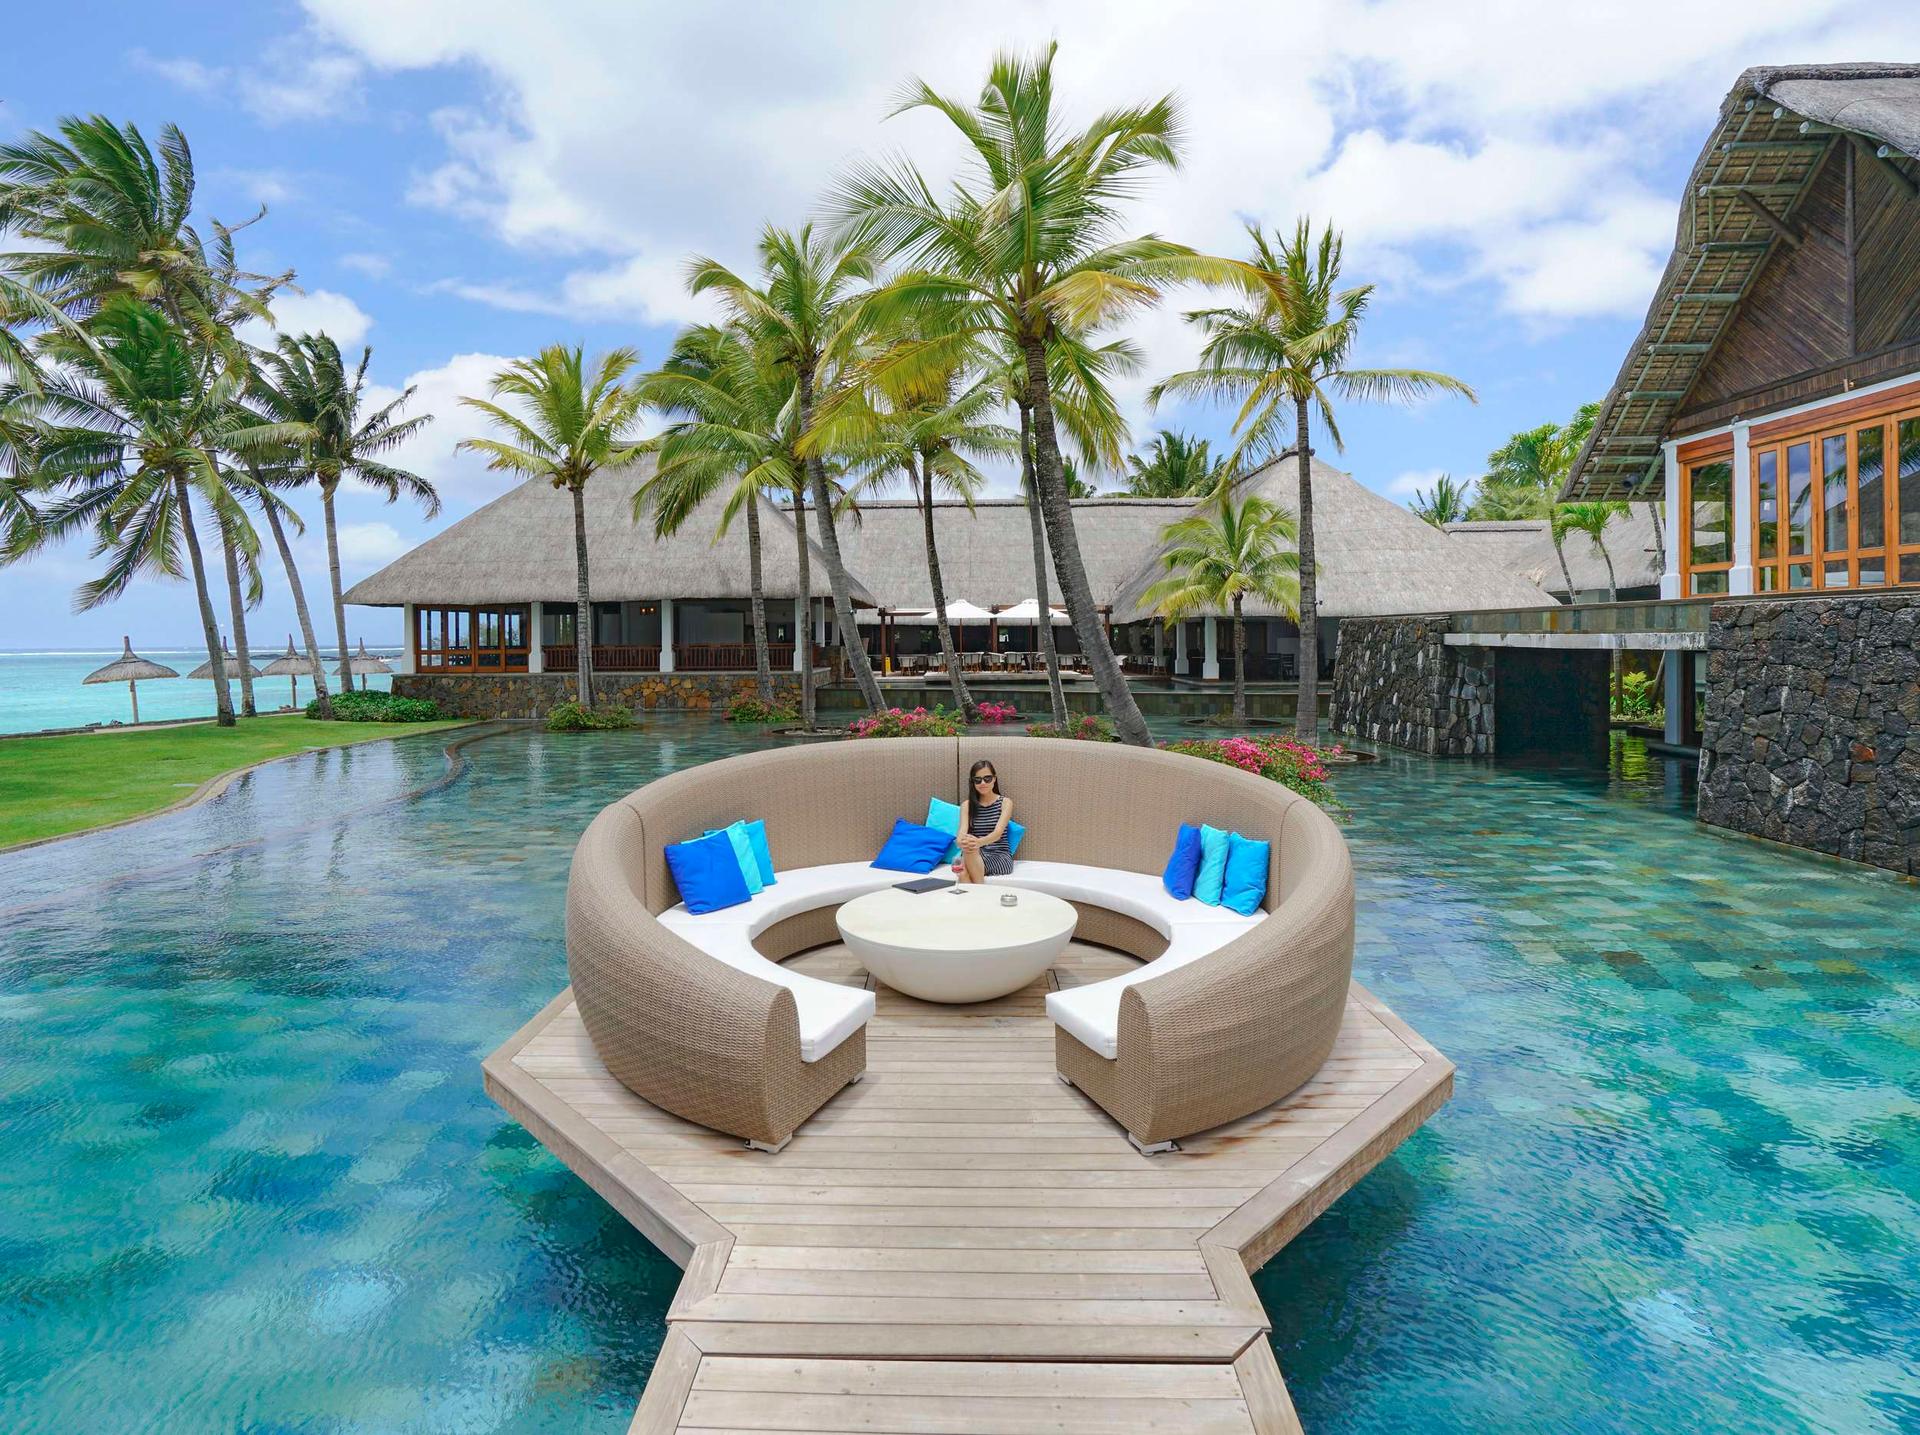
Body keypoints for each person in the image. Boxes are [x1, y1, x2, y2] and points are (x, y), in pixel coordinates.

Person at [956, 760, 1014, 882]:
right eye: (978, 780)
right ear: (973, 782)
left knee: (966, 861)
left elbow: (997, 833)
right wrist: (962, 842)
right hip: (974, 852)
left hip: (998, 855)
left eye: (987, 778)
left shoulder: (1005, 803)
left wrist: (977, 842)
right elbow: (961, 833)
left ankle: (979, 893)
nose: (983, 783)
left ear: (994, 779)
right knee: (962, 872)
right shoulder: (967, 805)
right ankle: (980, 898)